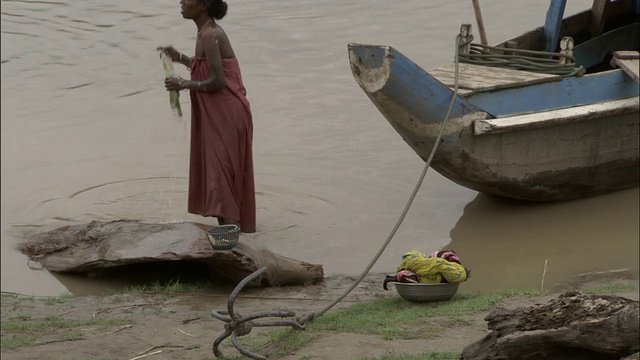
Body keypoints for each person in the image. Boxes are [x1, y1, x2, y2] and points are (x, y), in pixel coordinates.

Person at [158, 0, 256, 233]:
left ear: (202, 5)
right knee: (222, 176)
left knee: (222, 178)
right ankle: (232, 240)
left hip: (226, 114)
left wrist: (183, 83)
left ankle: (232, 244)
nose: (181, 1)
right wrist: (180, 58)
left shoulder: (210, 34)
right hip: (221, 113)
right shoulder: (206, 33)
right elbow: (207, 67)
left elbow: (217, 81)